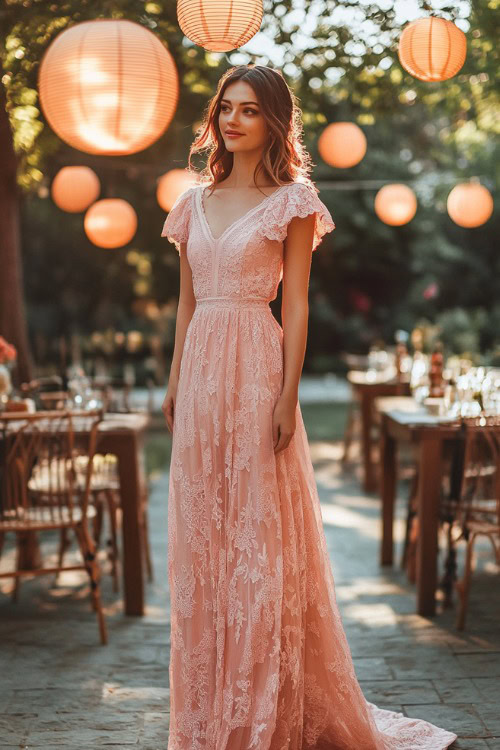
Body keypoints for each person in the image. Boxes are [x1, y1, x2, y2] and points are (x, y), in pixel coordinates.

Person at [161, 64, 457, 750]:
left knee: (259, 542)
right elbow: (185, 302)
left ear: (273, 121)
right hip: (203, 370)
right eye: (225, 108)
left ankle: (266, 708)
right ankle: (210, 712)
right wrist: (174, 379)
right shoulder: (191, 203)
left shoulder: (292, 201)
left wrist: (287, 394)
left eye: (249, 111)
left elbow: (294, 304)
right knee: (207, 541)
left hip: (258, 367)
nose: (232, 121)